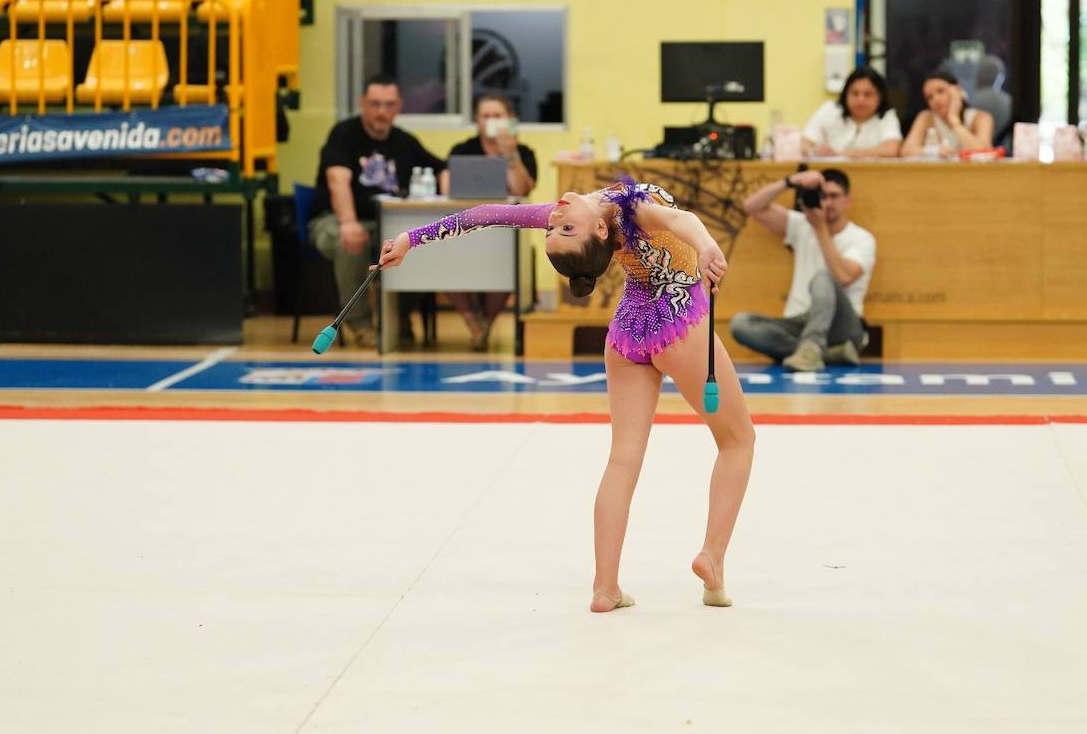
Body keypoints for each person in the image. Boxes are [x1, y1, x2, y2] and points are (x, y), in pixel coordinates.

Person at [376, 178, 754, 614]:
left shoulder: (583, 210)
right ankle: (713, 557)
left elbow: (484, 215)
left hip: (628, 332)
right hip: (676, 319)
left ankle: (605, 587)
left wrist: (410, 238)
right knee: (738, 440)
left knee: (623, 458)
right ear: (598, 232)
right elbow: (679, 218)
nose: (554, 221)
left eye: (555, 231)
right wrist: (706, 245)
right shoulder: (627, 213)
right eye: (561, 230)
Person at [307, 77, 446, 345]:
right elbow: (338, 181)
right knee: (349, 241)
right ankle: (360, 326)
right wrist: (348, 223)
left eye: (389, 104)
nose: (382, 111)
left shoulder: (405, 142)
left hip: (387, 223)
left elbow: (440, 168)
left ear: (398, 107)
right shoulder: (343, 135)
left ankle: (398, 320)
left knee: (416, 242)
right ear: (362, 104)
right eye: (375, 104)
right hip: (335, 219)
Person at [730, 169, 875, 372]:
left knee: (823, 277)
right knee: (741, 324)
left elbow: (843, 277)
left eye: (834, 196)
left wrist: (819, 228)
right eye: (822, 196)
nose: (828, 203)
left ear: (847, 200)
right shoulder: (802, 224)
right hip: (799, 323)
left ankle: (813, 347)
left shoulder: (861, 238)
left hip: (842, 326)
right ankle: (822, 353)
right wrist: (790, 181)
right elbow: (751, 206)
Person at [437, 93, 540, 350]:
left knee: (508, 261)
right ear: (477, 121)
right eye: (486, 116)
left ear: (511, 120)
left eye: (498, 116)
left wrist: (509, 154)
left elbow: (523, 189)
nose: (491, 121)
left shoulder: (523, 152)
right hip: (465, 227)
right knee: (440, 259)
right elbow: (446, 186)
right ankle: (473, 323)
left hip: (502, 231)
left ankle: (486, 322)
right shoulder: (462, 150)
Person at [801, 67, 902, 159]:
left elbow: (892, 150)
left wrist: (845, 154)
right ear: (845, 94)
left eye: (868, 94)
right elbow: (805, 143)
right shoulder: (830, 109)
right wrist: (814, 151)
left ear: (880, 96)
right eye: (855, 93)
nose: (860, 100)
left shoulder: (887, 117)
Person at [901, 70, 995, 158]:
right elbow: (906, 151)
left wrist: (954, 120)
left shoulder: (981, 118)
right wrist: (934, 151)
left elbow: (984, 152)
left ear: (957, 89)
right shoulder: (926, 118)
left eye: (940, 91)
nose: (936, 100)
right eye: (930, 97)